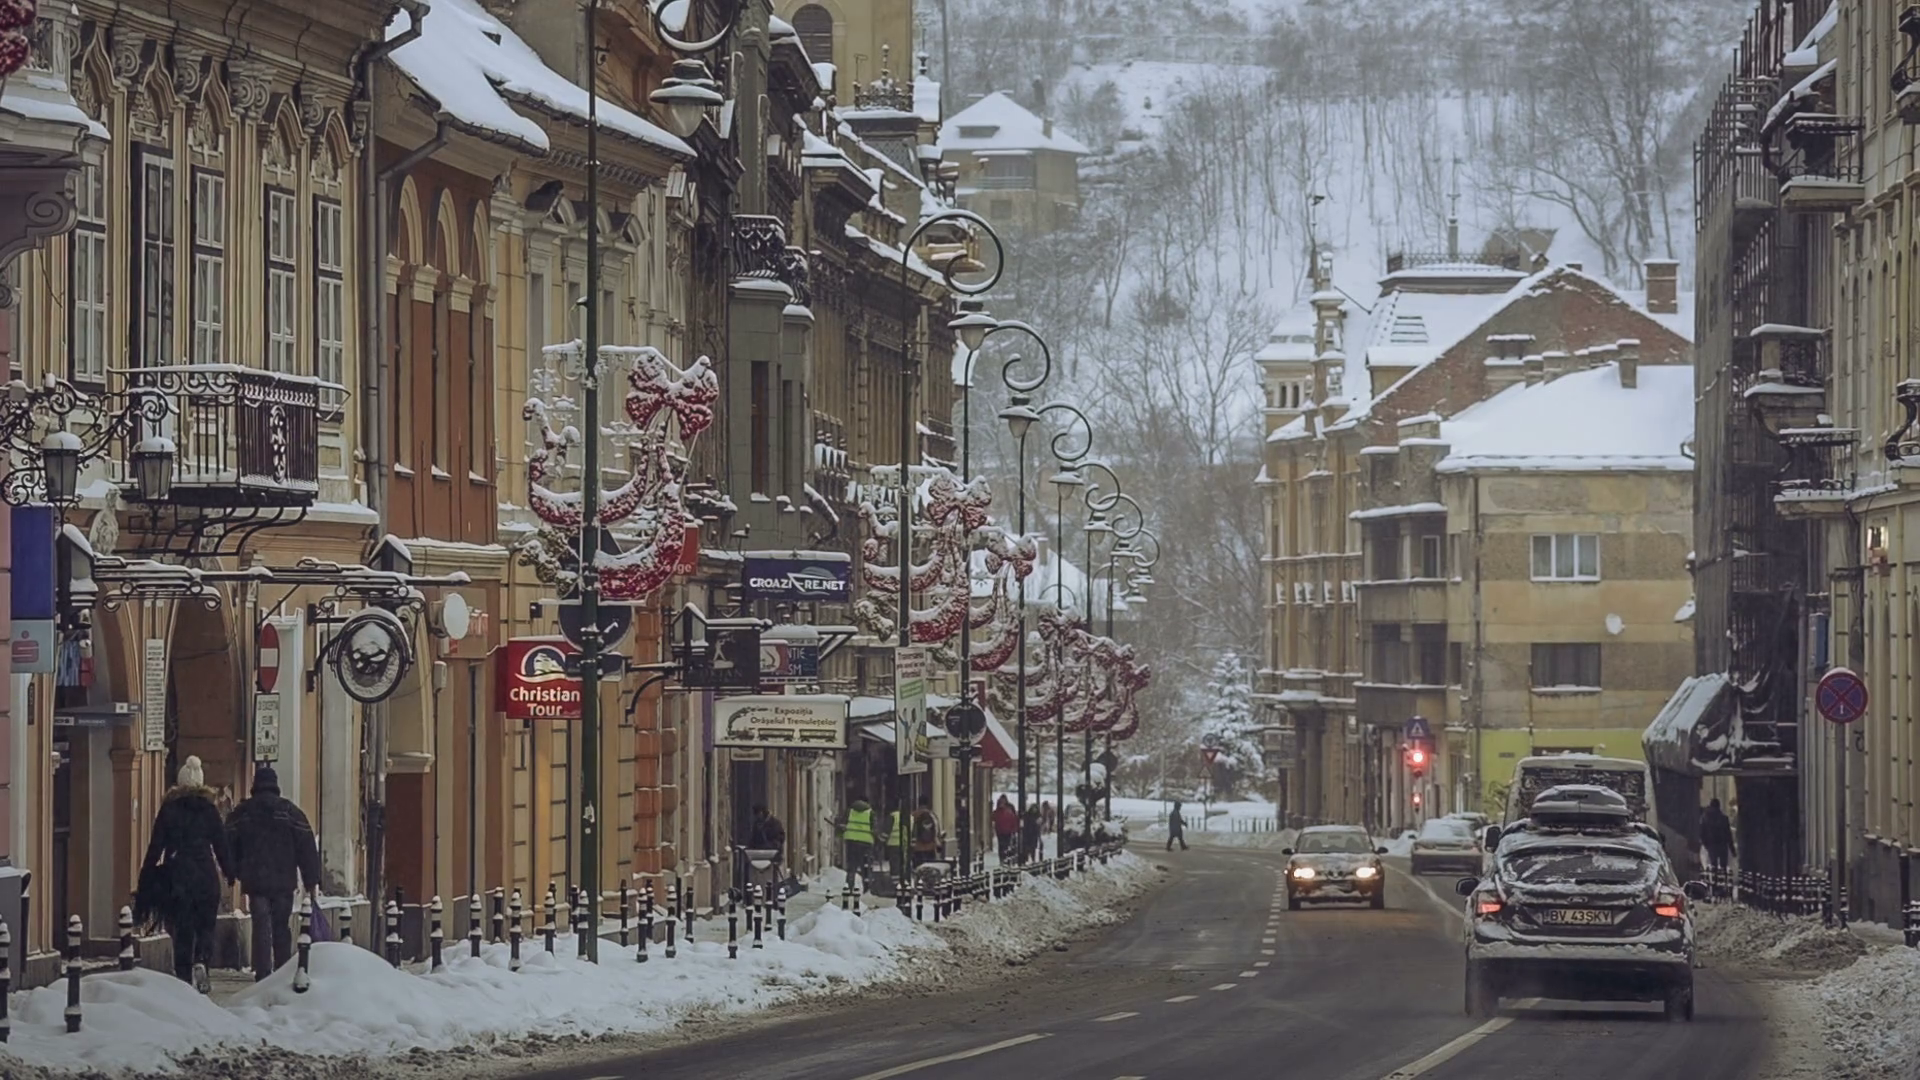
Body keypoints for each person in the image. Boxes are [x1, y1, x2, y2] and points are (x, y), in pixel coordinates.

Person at [137, 756, 233, 992]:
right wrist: (230, 872)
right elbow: (221, 844)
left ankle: (183, 979)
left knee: (183, 928)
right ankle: (202, 960)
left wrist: (146, 876)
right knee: (206, 926)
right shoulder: (209, 810)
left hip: (178, 875)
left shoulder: (169, 810)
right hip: (205, 874)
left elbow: (155, 848)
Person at [226, 764, 322, 982]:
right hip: (283, 882)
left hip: (255, 880)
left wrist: (233, 872)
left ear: (255, 786)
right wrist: (311, 881)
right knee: (281, 927)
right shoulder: (289, 812)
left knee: (261, 925)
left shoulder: (244, 812)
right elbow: (306, 846)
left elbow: (227, 842)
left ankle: (262, 974)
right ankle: (282, 972)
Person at [834, 796, 876, 890]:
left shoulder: (849, 811)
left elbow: (842, 825)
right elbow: (874, 828)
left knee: (852, 865)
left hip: (851, 841)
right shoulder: (870, 813)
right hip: (866, 842)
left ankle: (849, 886)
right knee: (865, 866)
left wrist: (840, 835)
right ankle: (867, 888)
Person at [1700, 798, 1735, 874]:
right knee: (1723, 866)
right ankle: (1723, 881)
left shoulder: (1705, 818)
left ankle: (1714, 881)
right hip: (1722, 844)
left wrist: (1706, 844)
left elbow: (1702, 832)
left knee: (1713, 865)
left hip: (1712, 844)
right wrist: (1732, 849)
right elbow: (1728, 834)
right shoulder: (1724, 818)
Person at [910, 797, 942, 867]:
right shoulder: (932, 815)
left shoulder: (913, 815)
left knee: (918, 869)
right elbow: (937, 831)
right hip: (930, 847)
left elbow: (910, 830)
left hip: (917, 848)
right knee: (930, 868)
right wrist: (938, 844)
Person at [992, 795, 1019, 863]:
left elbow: (1013, 820)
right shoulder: (1006, 811)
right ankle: (1004, 859)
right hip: (1003, 831)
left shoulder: (1004, 811)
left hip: (1004, 831)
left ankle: (1003, 859)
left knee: (1004, 845)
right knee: (1004, 845)